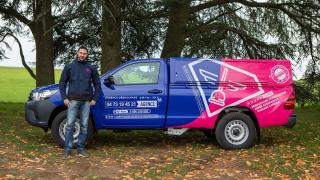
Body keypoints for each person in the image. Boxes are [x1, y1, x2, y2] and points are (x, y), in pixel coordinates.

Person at [59, 46, 101, 159]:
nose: (82, 55)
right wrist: (64, 98)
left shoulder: (91, 67)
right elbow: (62, 82)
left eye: (84, 53)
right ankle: (67, 149)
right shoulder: (70, 67)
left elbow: (97, 84)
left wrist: (94, 99)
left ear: (87, 55)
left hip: (86, 102)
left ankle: (81, 149)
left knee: (84, 126)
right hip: (72, 101)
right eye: (81, 53)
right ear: (77, 53)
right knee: (70, 125)